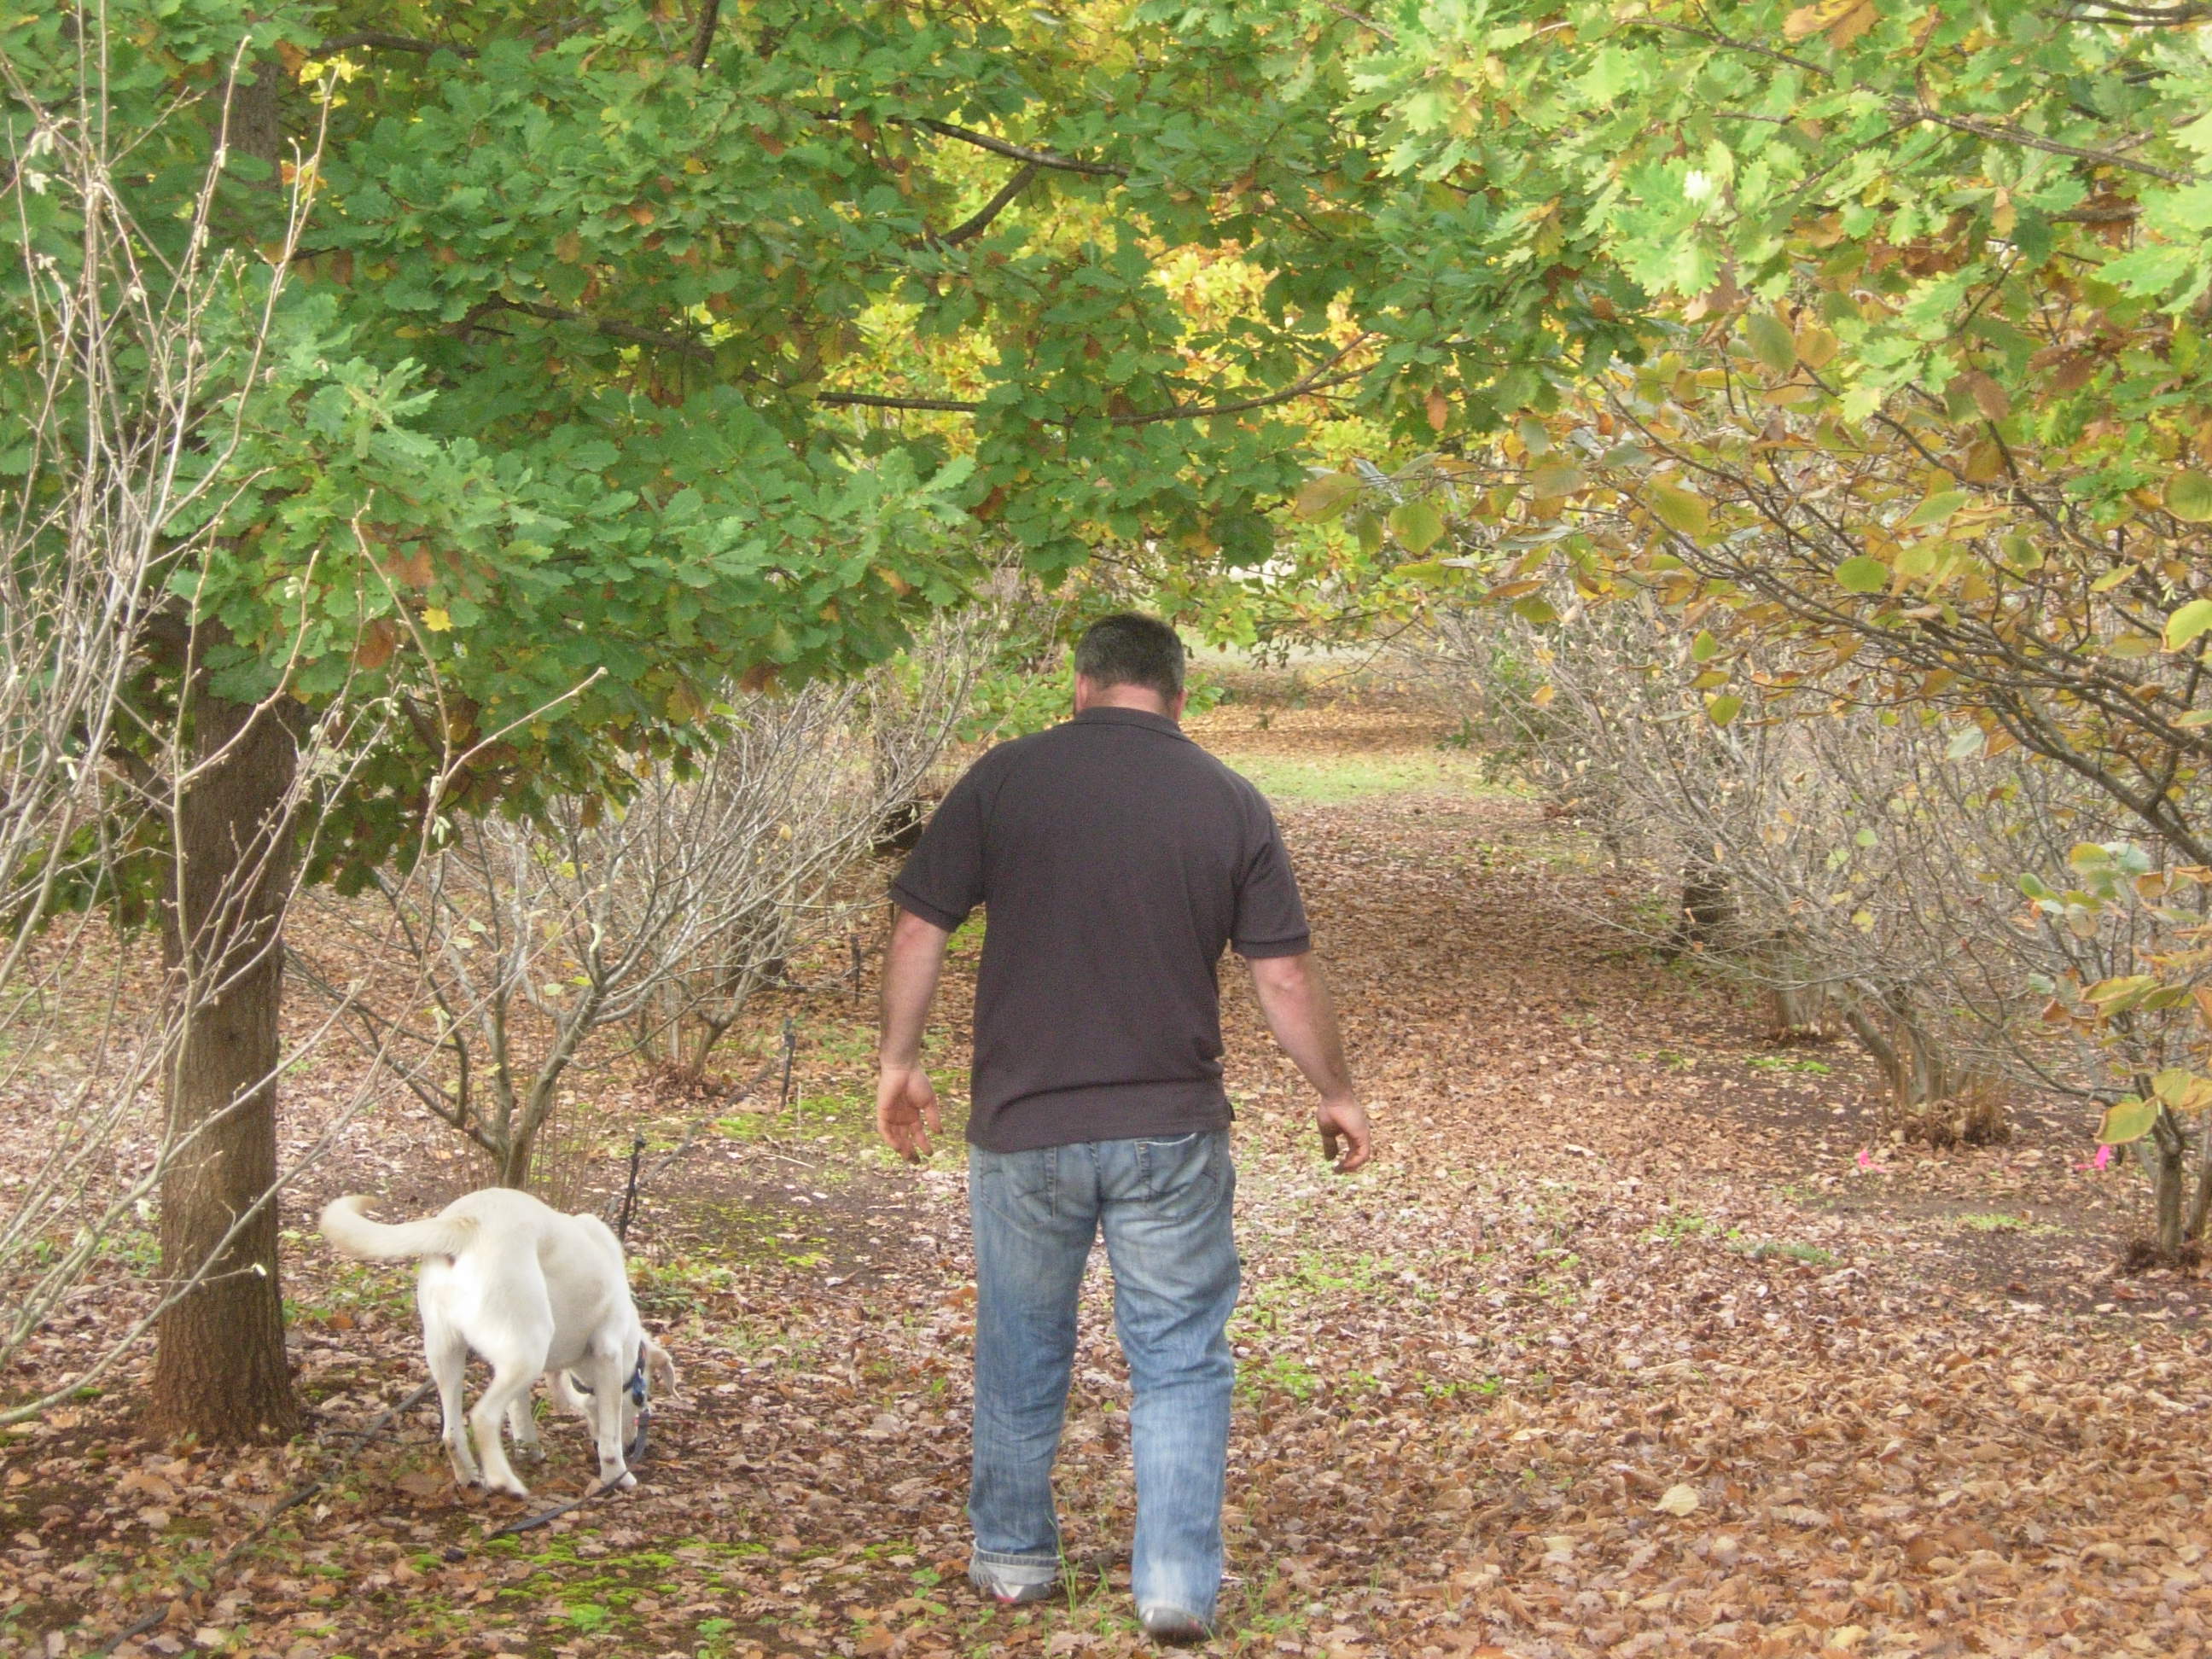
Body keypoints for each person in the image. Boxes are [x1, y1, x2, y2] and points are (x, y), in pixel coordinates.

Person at [874, 612, 1372, 1644]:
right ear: (1180, 697)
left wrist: (898, 1061)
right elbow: (1279, 972)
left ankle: (1013, 1559)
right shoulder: (1227, 797)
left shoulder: (1005, 778)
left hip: (1024, 1128)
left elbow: (921, 922)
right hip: (1170, 1132)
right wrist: (1337, 1088)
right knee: (1181, 1356)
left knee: (1022, 1340)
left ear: (1080, 686)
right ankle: (1176, 1588)